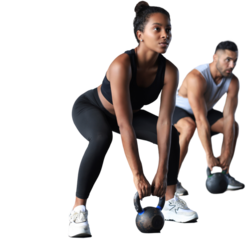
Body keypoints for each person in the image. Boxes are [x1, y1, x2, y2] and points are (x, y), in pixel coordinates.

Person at [67, 1, 199, 238]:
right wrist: (137, 174)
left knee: (174, 134)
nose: (165, 35)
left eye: (168, 29)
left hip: (131, 113)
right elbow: (124, 127)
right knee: (101, 137)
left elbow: (163, 122)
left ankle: (169, 201)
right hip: (92, 108)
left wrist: (160, 172)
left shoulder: (170, 70)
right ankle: (78, 209)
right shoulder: (121, 64)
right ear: (140, 35)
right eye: (157, 29)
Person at [173, 39, 247, 196]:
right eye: (227, 60)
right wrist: (209, 154)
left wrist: (226, 154)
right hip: (177, 110)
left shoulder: (234, 81)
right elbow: (200, 120)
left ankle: (226, 174)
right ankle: (172, 180)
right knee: (189, 127)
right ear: (214, 57)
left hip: (204, 110)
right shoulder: (197, 77)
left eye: (236, 61)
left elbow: (229, 118)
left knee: (235, 126)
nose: (232, 65)